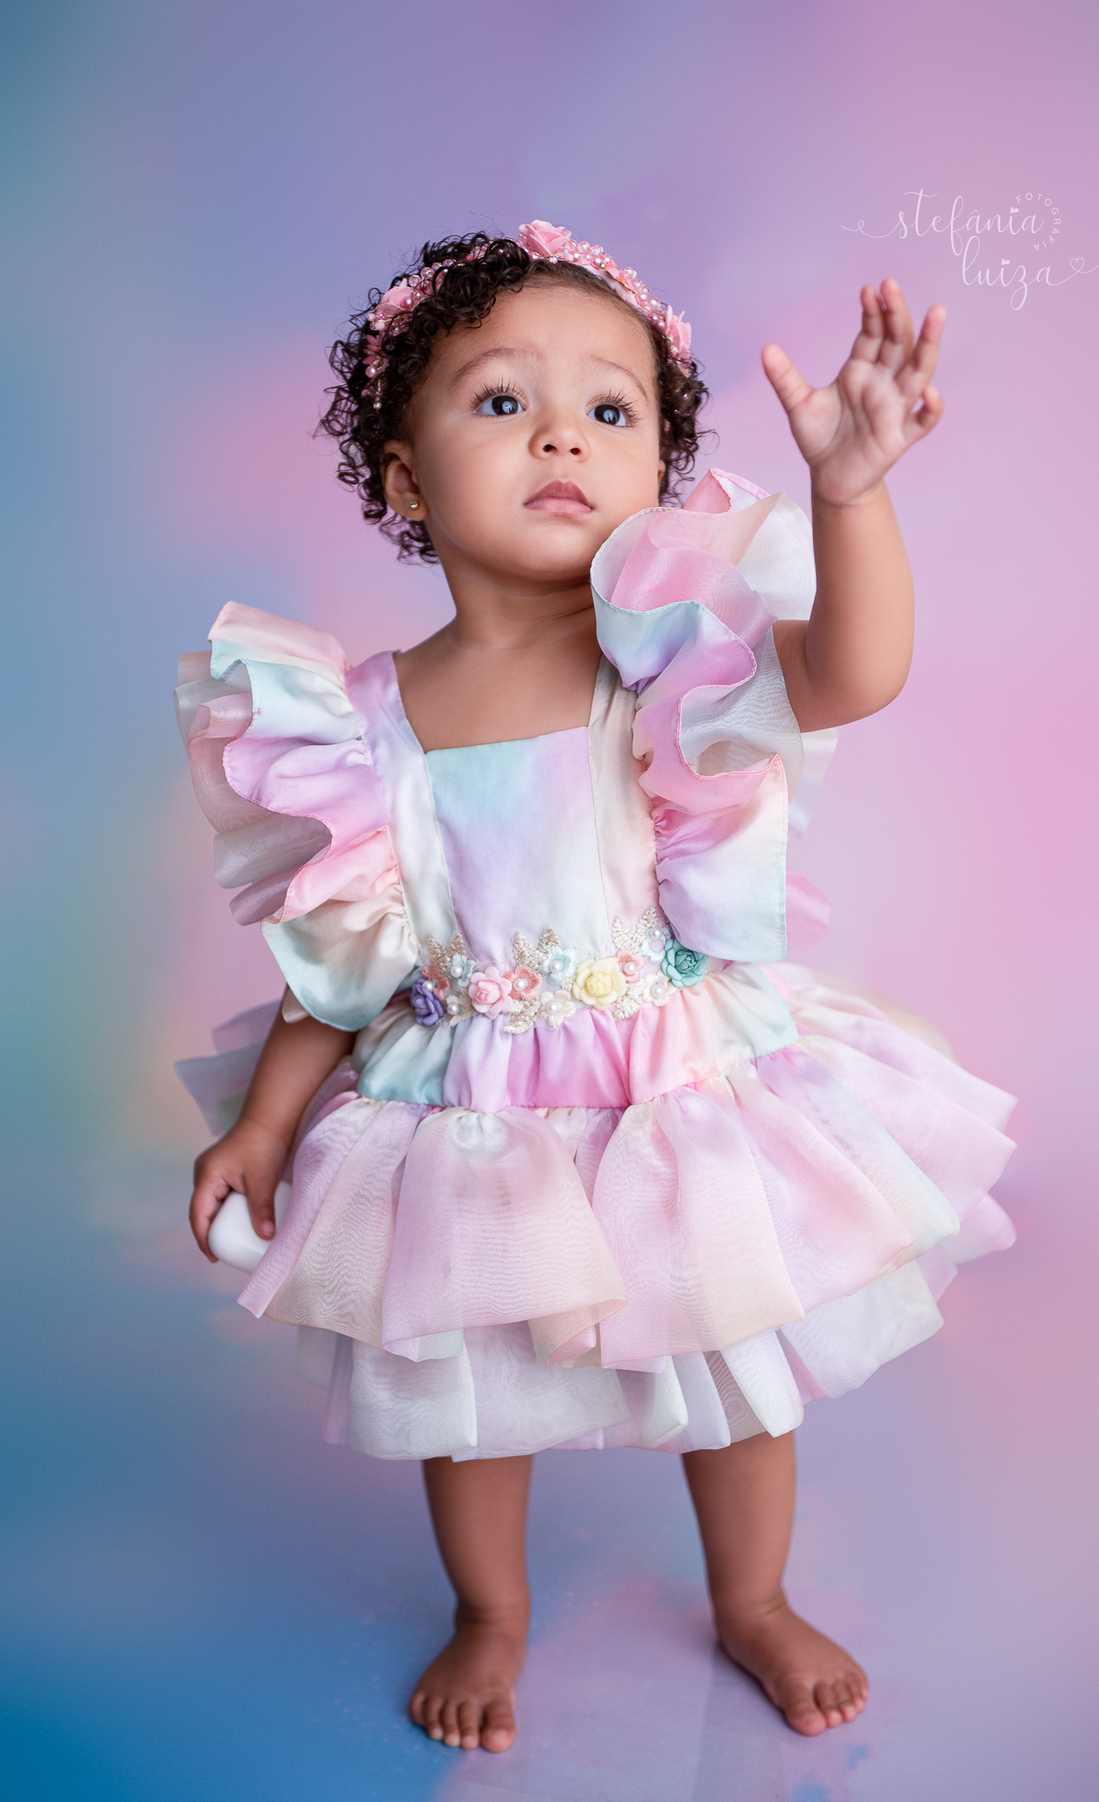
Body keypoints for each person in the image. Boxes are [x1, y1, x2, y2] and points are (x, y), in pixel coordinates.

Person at [175, 223, 1016, 1754]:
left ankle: (752, 1596)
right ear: (406, 478)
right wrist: (267, 1124)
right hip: (469, 1111)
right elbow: (339, 963)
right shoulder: (362, 723)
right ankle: (490, 1610)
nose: (562, 433)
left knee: (735, 1357)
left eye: (610, 409)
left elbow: (855, 671)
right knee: (465, 1381)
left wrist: (849, 492)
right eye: (502, 400)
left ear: (652, 478)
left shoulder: (666, 664)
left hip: (670, 1089)